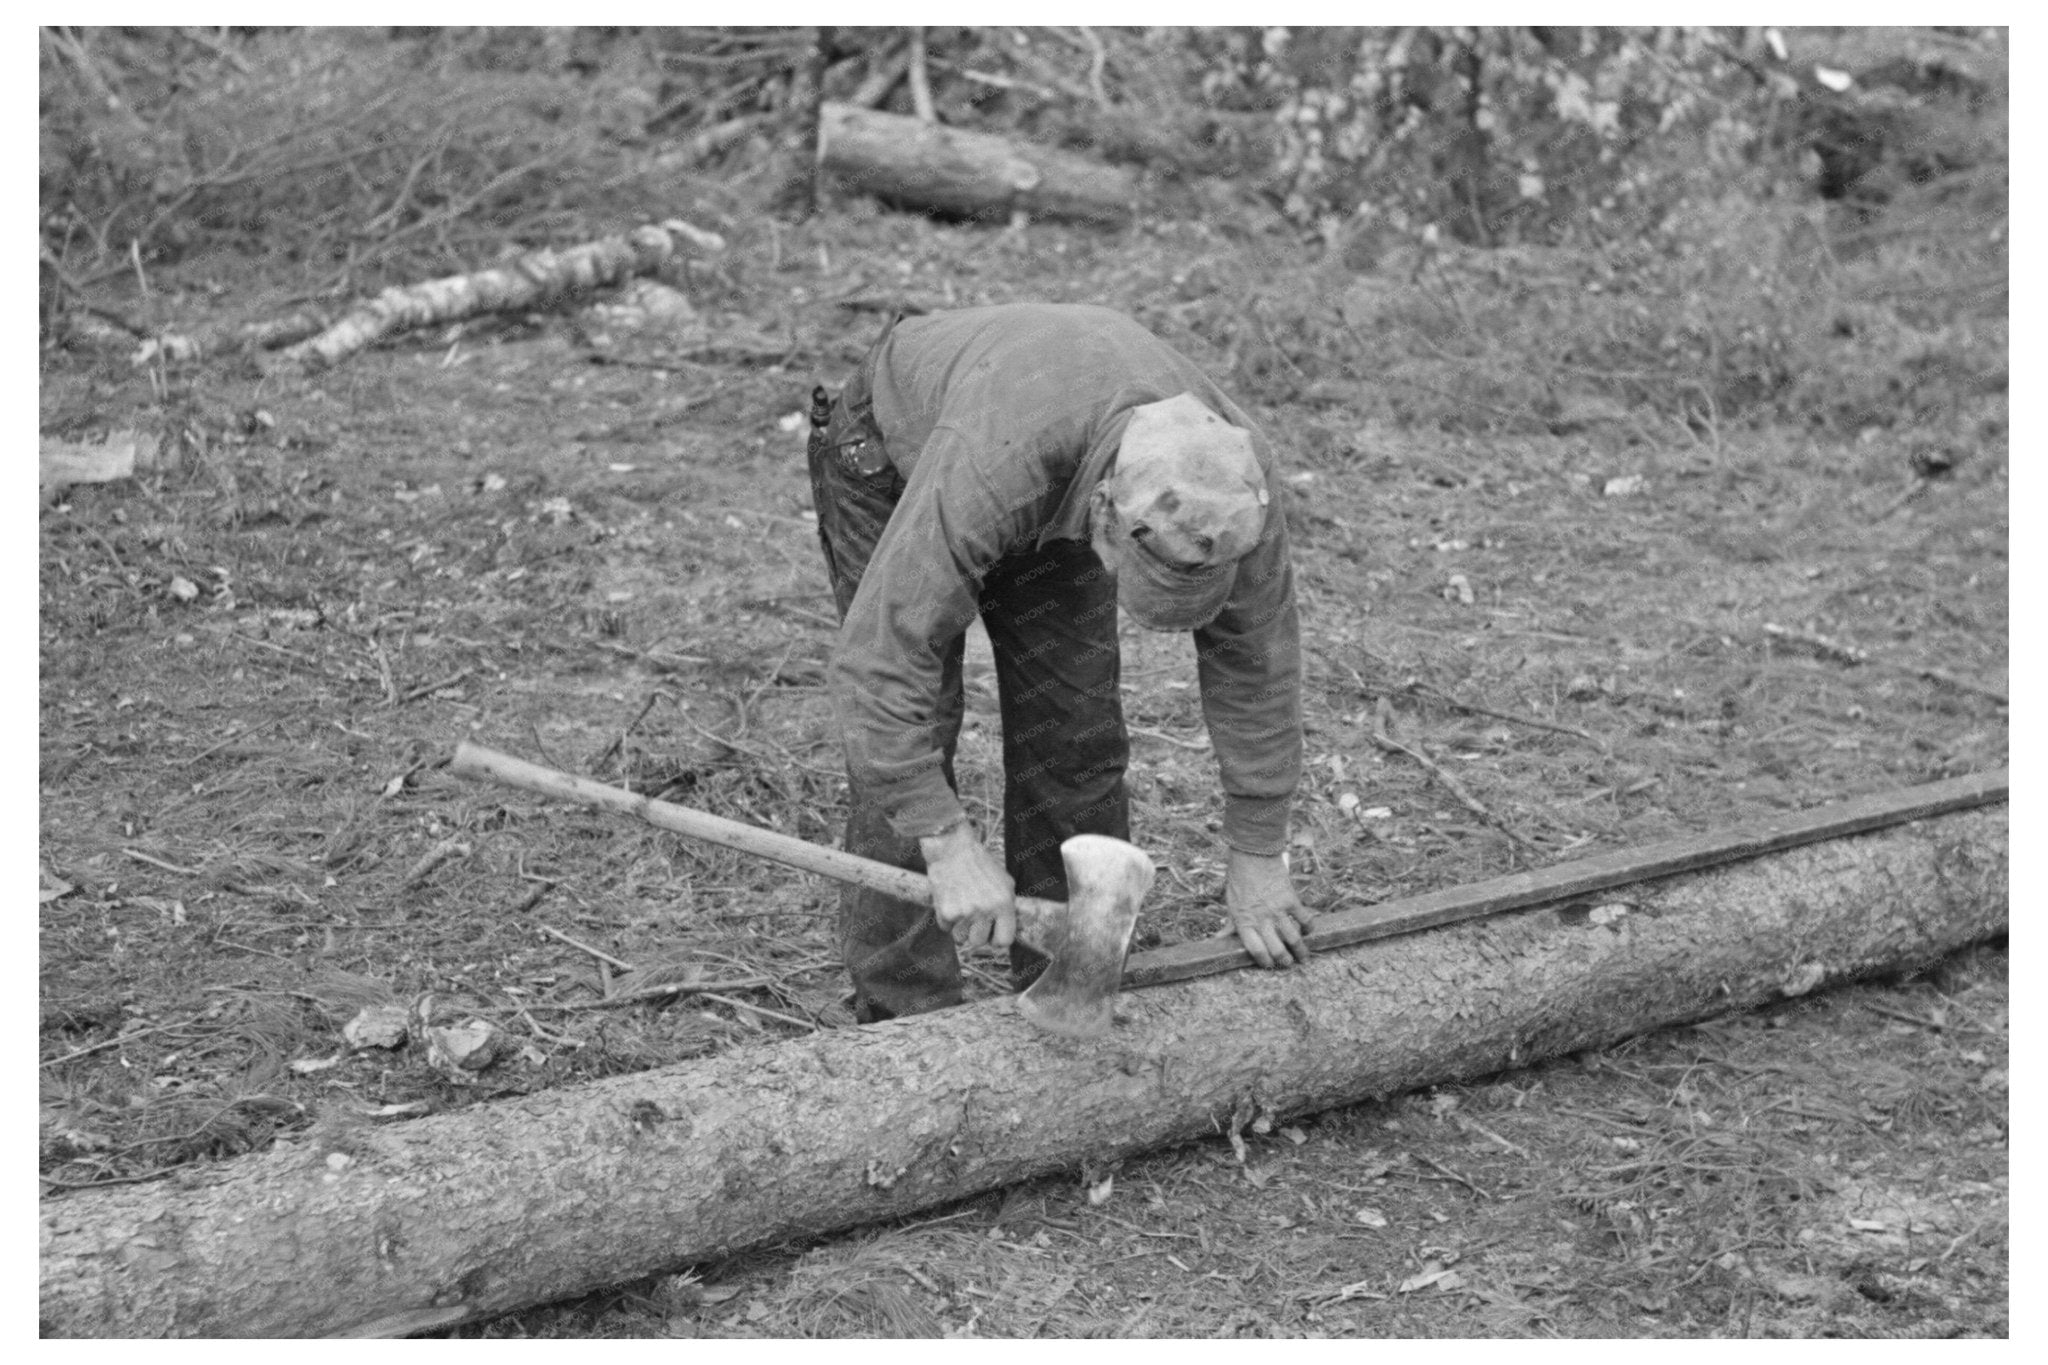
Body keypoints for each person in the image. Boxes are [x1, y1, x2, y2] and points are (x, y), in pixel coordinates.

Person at [804, 302, 1311, 1023]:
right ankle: (903, 1016)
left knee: (1075, 732)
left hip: (1050, 447)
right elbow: (880, 664)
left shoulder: (1231, 480)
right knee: (916, 734)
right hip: (892, 455)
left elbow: (1257, 658)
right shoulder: (990, 466)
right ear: (1106, 515)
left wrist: (1259, 849)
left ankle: (1072, 985)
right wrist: (946, 842)